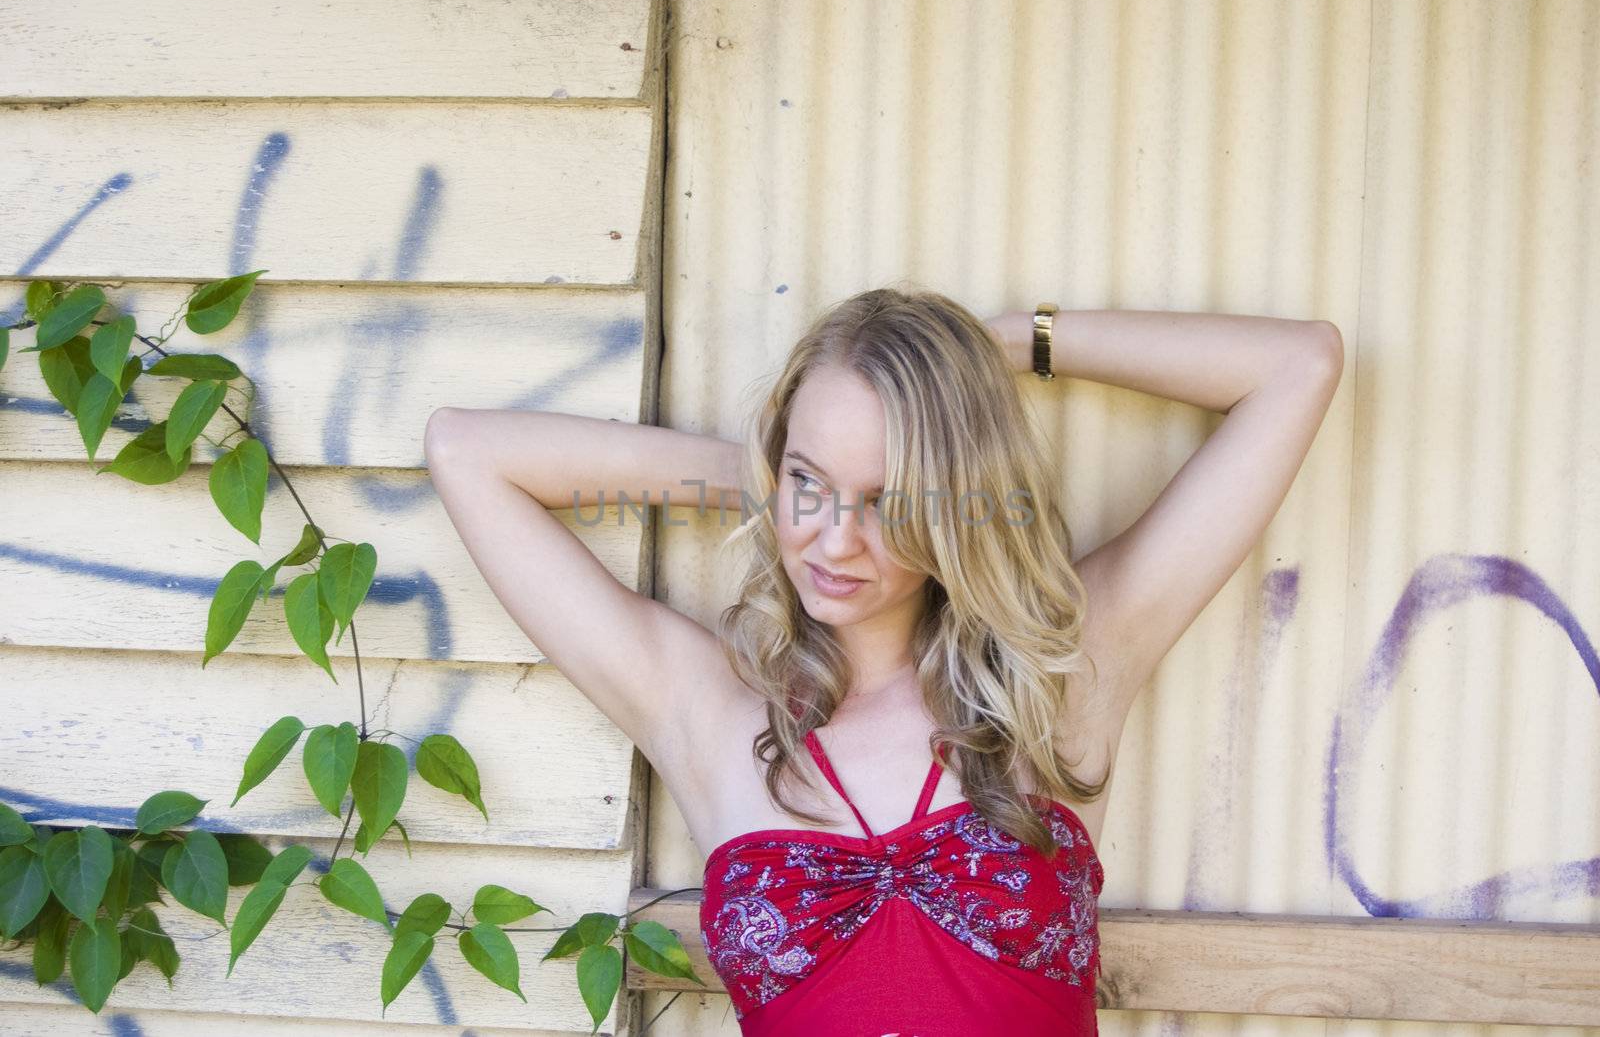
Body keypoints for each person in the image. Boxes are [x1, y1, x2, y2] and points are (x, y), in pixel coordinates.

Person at [423, 286, 1343, 1036]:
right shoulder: (708, 710)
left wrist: (1005, 343)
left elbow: (1297, 365)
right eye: (810, 484)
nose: (835, 542)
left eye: (887, 501)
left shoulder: (1061, 673)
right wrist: (767, 479)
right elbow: (468, 452)